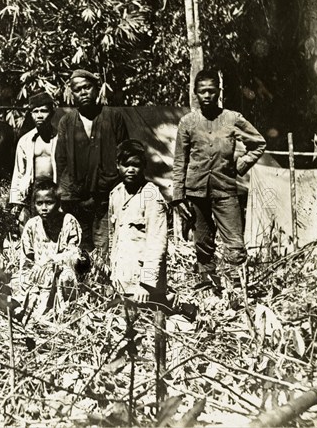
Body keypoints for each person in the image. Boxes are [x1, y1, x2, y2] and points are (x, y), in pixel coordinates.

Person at [172, 69, 266, 288]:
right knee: (203, 243)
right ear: (195, 93)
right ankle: (209, 287)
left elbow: (258, 143)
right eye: (202, 91)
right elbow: (180, 161)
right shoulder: (187, 122)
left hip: (225, 191)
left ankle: (237, 290)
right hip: (196, 192)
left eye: (211, 91)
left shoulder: (232, 119)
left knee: (235, 244)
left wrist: (240, 164)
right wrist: (178, 197)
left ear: (219, 92)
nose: (207, 96)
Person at [55, 69, 129, 251]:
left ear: (96, 89)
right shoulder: (66, 122)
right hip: (77, 198)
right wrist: (67, 193)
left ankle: (103, 279)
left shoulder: (113, 117)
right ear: (72, 94)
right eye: (78, 89)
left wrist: (119, 187)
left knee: (106, 243)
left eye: (87, 87)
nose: (83, 92)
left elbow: (124, 155)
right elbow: (61, 161)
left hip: (107, 195)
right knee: (80, 244)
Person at [109, 140, 167, 303]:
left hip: (144, 287)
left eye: (136, 165)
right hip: (121, 281)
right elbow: (114, 238)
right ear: (118, 165)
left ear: (144, 166)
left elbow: (157, 243)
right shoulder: (116, 193)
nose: (131, 170)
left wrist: (146, 284)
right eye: (126, 165)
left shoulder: (151, 195)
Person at [18, 179, 85, 309]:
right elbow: (26, 263)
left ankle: (69, 307)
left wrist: (51, 261)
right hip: (39, 282)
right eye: (39, 203)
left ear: (58, 202)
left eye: (49, 203)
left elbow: (73, 254)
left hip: (63, 279)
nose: (44, 208)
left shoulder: (68, 222)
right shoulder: (32, 225)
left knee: (67, 276)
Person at [10, 92, 57, 225]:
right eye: (35, 111)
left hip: (54, 192)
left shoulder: (60, 138)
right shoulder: (25, 141)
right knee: (31, 229)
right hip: (32, 193)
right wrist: (16, 201)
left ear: (52, 113)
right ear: (31, 114)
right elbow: (18, 172)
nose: (39, 115)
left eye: (44, 111)